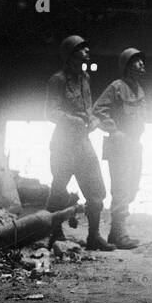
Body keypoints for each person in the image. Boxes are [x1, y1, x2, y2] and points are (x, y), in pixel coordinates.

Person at [45, 34, 113, 251]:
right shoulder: (57, 80)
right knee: (58, 190)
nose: (87, 52)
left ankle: (94, 236)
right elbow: (51, 112)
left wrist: (93, 120)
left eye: (86, 49)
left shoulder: (85, 78)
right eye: (82, 49)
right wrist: (72, 120)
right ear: (70, 55)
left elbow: (89, 109)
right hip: (64, 143)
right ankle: (55, 234)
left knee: (96, 191)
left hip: (83, 142)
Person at [93, 48, 147, 250]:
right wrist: (114, 131)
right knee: (121, 188)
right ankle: (117, 233)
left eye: (142, 60)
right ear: (126, 66)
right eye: (136, 61)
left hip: (134, 144)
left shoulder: (139, 89)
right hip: (119, 145)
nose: (141, 64)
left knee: (132, 187)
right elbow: (98, 110)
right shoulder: (117, 87)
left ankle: (117, 230)